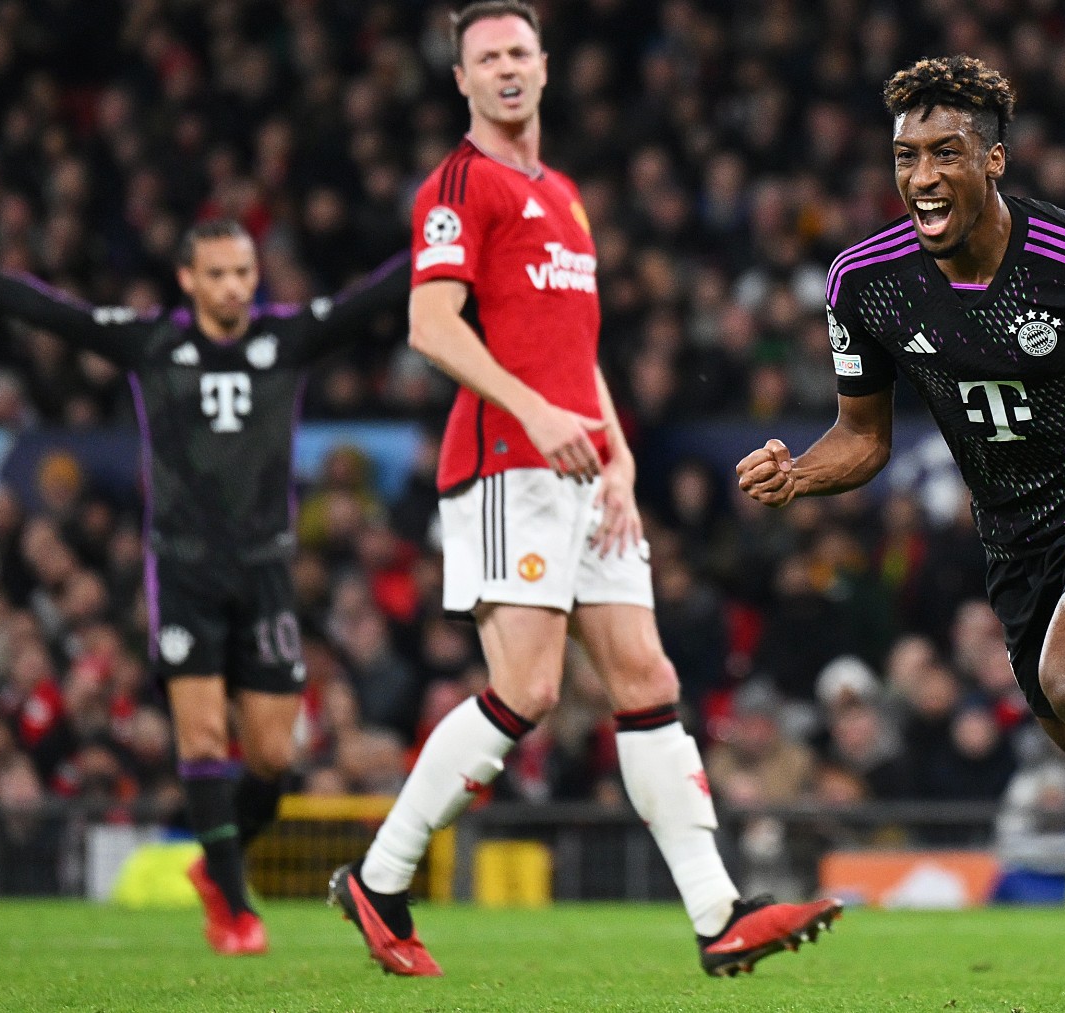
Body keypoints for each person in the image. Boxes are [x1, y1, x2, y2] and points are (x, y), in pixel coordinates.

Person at [734, 57, 1065, 1013]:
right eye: (906, 156)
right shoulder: (864, 283)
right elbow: (861, 439)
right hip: (1016, 544)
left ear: (993, 158)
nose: (922, 176)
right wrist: (799, 475)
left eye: (946, 153)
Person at [328, 1, 840, 980]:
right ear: (462, 81)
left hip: (581, 468)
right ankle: (380, 877)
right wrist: (539, 416)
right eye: (488, 57)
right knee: (529, 686)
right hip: (503, 467)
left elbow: (575, 348)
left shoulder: (563, 194)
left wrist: (618, 455)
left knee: (647, 680)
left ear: (547, 67)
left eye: (521, 50)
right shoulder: (456, 185)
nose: (507, 68)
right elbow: (431, 327)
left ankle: (720, 911)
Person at [0, 203, 408, 955]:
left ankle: (214, 867)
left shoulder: (284, 338)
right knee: (199, 734)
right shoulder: (155, 342)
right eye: (219, 274)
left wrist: (460, 247)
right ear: (188, 278)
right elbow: (47, 311)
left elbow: (375, 297)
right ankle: (234, 904)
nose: (234, 287)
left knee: (272, 757)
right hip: (185, 570)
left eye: (244, 274)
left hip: (264, 570)